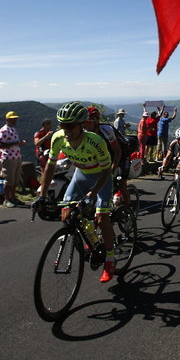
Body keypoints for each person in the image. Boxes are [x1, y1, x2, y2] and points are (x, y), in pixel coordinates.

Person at [34, 101, 117, 283]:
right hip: (81, 177)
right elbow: (49, 167)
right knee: (66, 215)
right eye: (63, 125)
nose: (66, 130)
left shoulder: (96, 142)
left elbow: (106, 171)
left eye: (70, 126)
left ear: (81, 125)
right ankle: (91, 238)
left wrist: (92, 194)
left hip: (101, 179)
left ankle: (110, 259)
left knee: (102, 219)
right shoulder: (57, 138)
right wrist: (41, 196)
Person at [84, 106, 126, 205]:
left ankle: (128, 210)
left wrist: (112, 169)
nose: (85, 126)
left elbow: (117, 151)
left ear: (96, 121)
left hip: (121, 154)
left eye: (88, 122)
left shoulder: (106, 129)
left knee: (122, 183)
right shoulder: (84, 132)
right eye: (84, 123)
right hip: (104, 157)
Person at [0, 111, 26, 207]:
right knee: (8, 180)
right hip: (8, 157)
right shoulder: (3, 130)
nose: (15, 120)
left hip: (16, 157)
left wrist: (19, 143)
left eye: (15, 118)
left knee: (15, 180)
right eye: (13, 118)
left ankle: (13, 197)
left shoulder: (12, 129)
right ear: (8, 119)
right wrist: (16, 144)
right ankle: (6, 199)